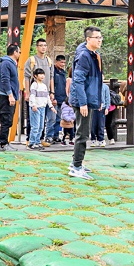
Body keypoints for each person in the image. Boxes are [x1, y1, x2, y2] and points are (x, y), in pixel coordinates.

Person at [69, 26, 103, 179]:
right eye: (97, 37)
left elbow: (96, 81)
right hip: (82, 101)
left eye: (101, 37)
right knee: (82, 134)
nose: (100, 40)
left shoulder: (93, 54)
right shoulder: (84, 56)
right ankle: (76, 166)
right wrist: (83, 103)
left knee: (83, 132)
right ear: (88, 39)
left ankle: (75, 163)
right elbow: (78, 80)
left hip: (88, 99)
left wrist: (98, 99)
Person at [24, 38, 54, 145]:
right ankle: (29, 139)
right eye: (41, 45)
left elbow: (51, 77)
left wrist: (52, 92)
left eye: (45, 45)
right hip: (34, 94)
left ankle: (40, 139)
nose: (43, 47)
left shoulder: (49, 61)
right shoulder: (31, 60)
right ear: (37, 47)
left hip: (45, 94)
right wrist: (27, 93)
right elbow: (26, 77)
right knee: (32, 118)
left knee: (43, 118)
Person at [0, 43, 21, 151]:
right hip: (6, 95)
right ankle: (3, 143)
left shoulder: (12, 63)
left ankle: (6, 142)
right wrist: (10, 95)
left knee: (8, 120)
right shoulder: (6, 63)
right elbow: (5, 79)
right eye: (19, 52)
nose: (20, 54)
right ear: (15, 52)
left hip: (11, 95)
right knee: (6, 120)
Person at [27, 67, 53, 150]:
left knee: (41, 126)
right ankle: (31, 143)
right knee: (35, 126)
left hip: (42, 107)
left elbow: (47, 97)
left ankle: (37, 142)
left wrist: (51, 106)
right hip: (36, 108)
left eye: (43, 74)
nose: (42, 76)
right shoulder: (34, 85)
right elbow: (32, 96)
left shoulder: (44, 86)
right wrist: (33, 105)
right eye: (40, 74)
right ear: (35, 76)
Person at [47, 54, 68, 143]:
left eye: (64, 62)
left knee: (58, 119)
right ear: (56, 62)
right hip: (54, 99)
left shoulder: (63, 72)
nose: (63, 64)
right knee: (52, 119)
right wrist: (53, 97)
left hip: (62, 99)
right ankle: (49, 136)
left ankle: (56, 135)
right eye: (61, 62)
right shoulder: (52, 71)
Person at [91, 81, 111, 147]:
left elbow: (107, 98)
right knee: (92, 125)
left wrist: (107, 108)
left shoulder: (105, 87)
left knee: (101, 125)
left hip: (102, 108)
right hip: (93, 108)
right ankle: (93, 139)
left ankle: (101, 139)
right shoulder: (92, 85)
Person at [105, 79, 123, 144]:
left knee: (105, 124)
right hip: (111, 107)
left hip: (106, 108)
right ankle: (111, 139)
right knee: (108, 124)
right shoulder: (106, 87)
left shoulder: (102, 87)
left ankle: (100, 139)